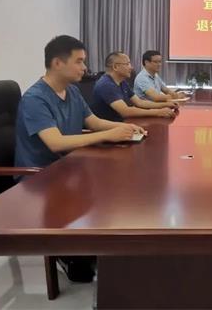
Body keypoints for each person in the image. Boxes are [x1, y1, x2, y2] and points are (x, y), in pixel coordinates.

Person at [14, 35, 144, 283]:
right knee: (108, 187)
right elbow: (56, 142)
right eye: (79, 61)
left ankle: (102, 245)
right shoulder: (35, 98)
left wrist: (126, 128)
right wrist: (108, 135)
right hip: (41, 176)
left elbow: (94, 122)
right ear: (57, 63)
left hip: (69, 166)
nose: (85, 67)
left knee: (122, 181)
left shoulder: (72, 91)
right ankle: (73, 250)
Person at [91, 51, 177, 122]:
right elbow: (125, 111)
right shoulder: (106, 85)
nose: (131, 68)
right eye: (127, 64)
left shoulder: (122, 82)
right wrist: (158, 112)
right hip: (108, 128)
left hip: (120, 123)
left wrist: (166, 105)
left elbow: (140, 102)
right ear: (115, 67)